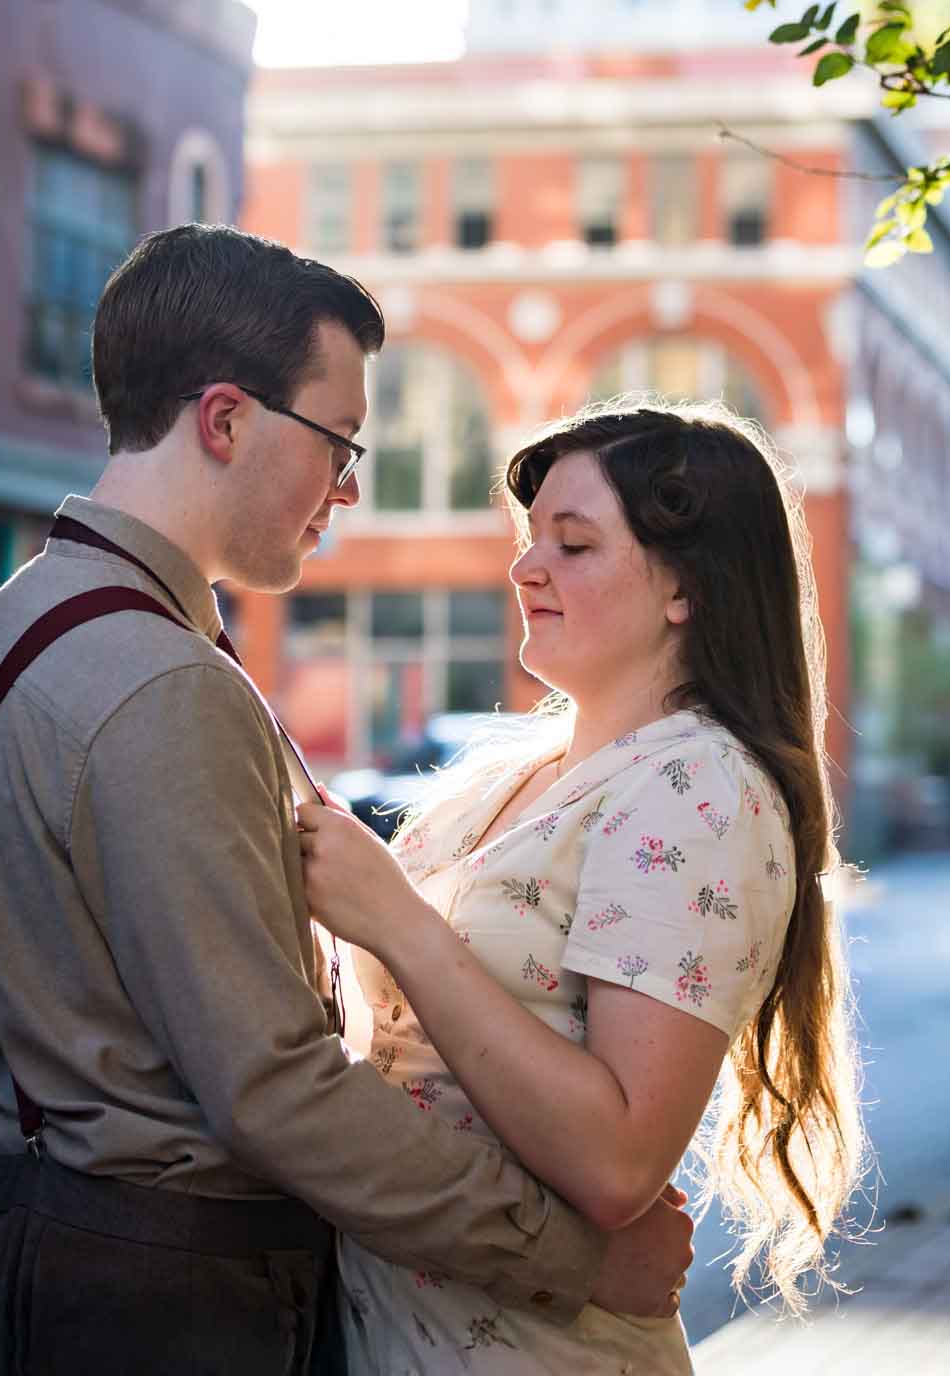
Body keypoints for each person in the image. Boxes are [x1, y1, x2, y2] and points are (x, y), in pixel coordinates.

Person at [0, 229, 694, 1376]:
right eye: (336, 438)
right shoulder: (161, 681)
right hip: (167, 1291)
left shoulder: (15, 626)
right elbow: (274, 1083)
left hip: (28, 1234)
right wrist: (567, 1253)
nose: (350, 483)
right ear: (225, 420)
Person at [298, 400, 867, 1373]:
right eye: (531, 540)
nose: (525, 569)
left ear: (685, 584)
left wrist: (394, 917)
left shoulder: (699, 787)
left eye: (573, 544)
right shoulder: (504, 770)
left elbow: (616, 1163)